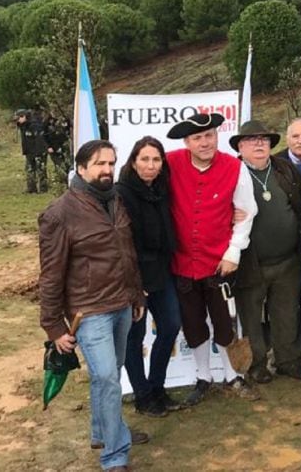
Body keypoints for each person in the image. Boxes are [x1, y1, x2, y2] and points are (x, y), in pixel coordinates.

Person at [38, 139, 147, 469]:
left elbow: (128, 254)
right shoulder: (60, 214)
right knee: (107, 379)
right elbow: (50, 274)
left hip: (122, 304)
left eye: (112, 163)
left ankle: (104, 431)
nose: (108, 170)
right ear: (81, 168)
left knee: (109, 376)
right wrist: (54, 325)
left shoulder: (115, 202)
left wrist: (136, 294)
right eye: (100, 164)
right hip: (89, 312)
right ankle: (115, 454)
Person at [165, 112, 259, 405]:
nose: (205, 143)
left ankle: (232, 375)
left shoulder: (235, 167)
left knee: (224, 323)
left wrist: (234, 252)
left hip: (220, 263)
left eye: (209, 136)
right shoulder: (170, 162)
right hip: (182, 263)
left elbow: (248, 212)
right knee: (193, 324)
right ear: (187, 142)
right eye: (197, 138)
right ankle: (203, 376)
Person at [230, 120, 301, 385]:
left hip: (288, 260)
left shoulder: (284, 169)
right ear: (240, 146)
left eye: (264, 140)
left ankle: (287, 360)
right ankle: (256, 364)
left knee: (287, 313)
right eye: (252, 140)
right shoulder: (232, 173)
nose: (259, 144)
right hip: (251, 263)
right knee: (251, 316)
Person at [116, 136, 182, 418]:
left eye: (156, 159)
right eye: (145, 159)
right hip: (134, 276)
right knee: (135, 337)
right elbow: (122, 243)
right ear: (133, 161)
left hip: (162, 271)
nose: (151, 165)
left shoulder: (162, 189)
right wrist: (134, 285)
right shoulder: (121, 193)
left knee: (170, 326)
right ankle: (142, 394)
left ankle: (157, 386)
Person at [15, 109, 50, 194]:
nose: (18, 120)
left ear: (24, 116)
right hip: (29, 152)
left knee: (41, 170)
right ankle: (31, 188)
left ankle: (43, 189)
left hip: (38, 151)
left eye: (19, 118)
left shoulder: (35, 125)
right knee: (29, 169)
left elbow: (39, 139)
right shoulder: (23, 126)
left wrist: (39, 152)